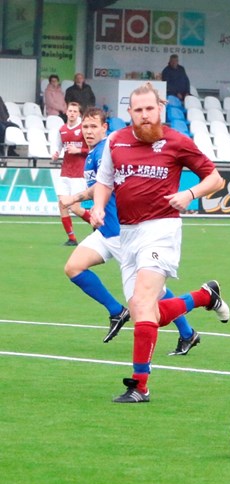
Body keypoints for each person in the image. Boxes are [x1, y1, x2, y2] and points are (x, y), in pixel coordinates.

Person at [90, 83, 230, 403]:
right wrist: (98, 206)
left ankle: (140, 385)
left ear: (160, 109)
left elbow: (215, 178)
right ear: (130, 113)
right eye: (138, 110)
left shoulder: (177, 141)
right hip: (127, 235)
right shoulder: (116, 141)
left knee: (141, 303)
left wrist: (189, 193)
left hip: (162, 229)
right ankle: (203, 296)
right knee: (146, 314)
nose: (144, 116)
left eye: (150, 109)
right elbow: (104, 182)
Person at [59, 108, 201, 355]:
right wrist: (82, 204)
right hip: (106, 231)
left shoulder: (107, 150)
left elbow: (108, 185)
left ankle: (190, 329)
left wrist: (78, 199)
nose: (88, 131)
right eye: (85, 127)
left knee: (154, 293)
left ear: (105, 128)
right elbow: (102, 191)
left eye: (93, 127)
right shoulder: (93, 153)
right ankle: (116, 311)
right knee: (73, 267)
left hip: (122, 233)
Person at [51, 101, 90, 245]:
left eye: (75, 111)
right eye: (70, 111)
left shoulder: (84, 129)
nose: (72, 113)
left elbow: (93, 149)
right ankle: (72, 238)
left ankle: (98, 226)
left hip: (79, 173)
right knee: (62, 204)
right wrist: (55, 154)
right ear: (66, 112)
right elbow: (58, 147)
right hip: (65, 172)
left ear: (79, 114)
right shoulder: (62, 130)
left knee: (76, 208)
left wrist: (79, 150)